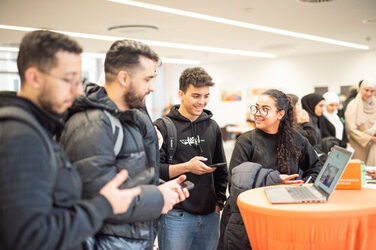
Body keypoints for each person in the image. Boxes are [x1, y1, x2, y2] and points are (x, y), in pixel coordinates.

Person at [0, 30, 142, 250]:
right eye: (68, 80)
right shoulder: (21, 137)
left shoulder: (37, 127)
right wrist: (103, 205)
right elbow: (30, 238)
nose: (77, 91)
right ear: (34, 78)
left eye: (79, 81)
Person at [59, 40, 189, 249]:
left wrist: (160, 188)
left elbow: (124, 180)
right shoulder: (92, 124)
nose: (152, 88)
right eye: (148, 79)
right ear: (123, 78)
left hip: (130, 239)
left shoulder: (128, 119)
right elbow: (98, 199)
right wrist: (157, 198)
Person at [219, 89, 321, 250]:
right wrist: (275, 180)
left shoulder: (296, 139)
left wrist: (304, 186)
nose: (258, 113)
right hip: (247, 219)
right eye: (256, 108)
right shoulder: (246, 141)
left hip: (283, 215)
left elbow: (315, 167)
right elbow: (236, 183)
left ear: (280, 114)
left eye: (265, 109)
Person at [154, 67, 227, 250]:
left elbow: (222, 170)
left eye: (206, 96)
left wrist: (219, 203)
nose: (202, 102)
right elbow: (154, 170)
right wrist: (186, 167)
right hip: (175, 215)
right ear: (181, 94)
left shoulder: (212, 127)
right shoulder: (163, 127)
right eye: (196, 96)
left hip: (210, 215)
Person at [345, 80, 376, 165]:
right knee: (360, 171)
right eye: (366, 90)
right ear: (361, 89)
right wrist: (369, 138)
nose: (369, 93)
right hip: (358, 145)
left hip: (373, 146)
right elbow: (351, 130)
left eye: (372, 91)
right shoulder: (353, 105)